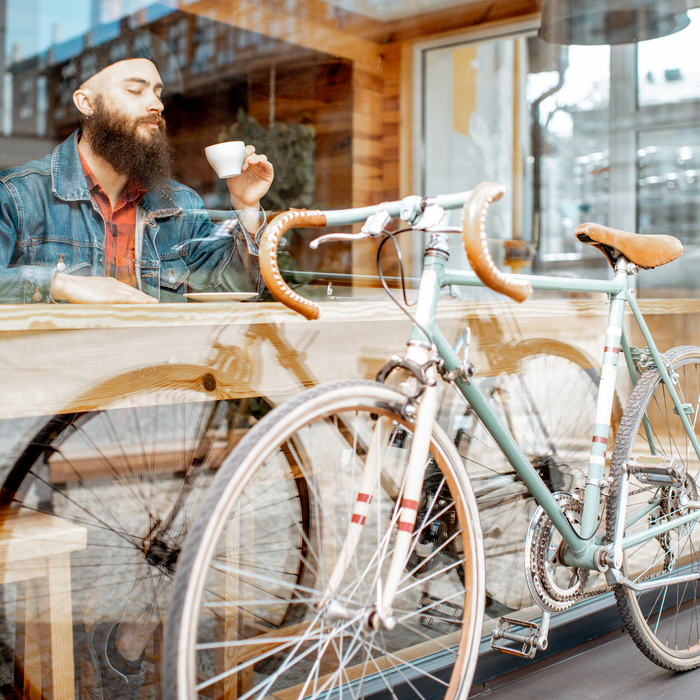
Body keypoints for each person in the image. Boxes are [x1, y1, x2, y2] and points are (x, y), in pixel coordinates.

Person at [0, 39, 273, 304]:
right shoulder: (18, 195)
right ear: (86, 103)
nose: (157, 104)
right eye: (135, 90)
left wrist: (247, 207)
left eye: (158, 93)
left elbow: (239, 288)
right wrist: (63, 284)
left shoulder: (180, 204)